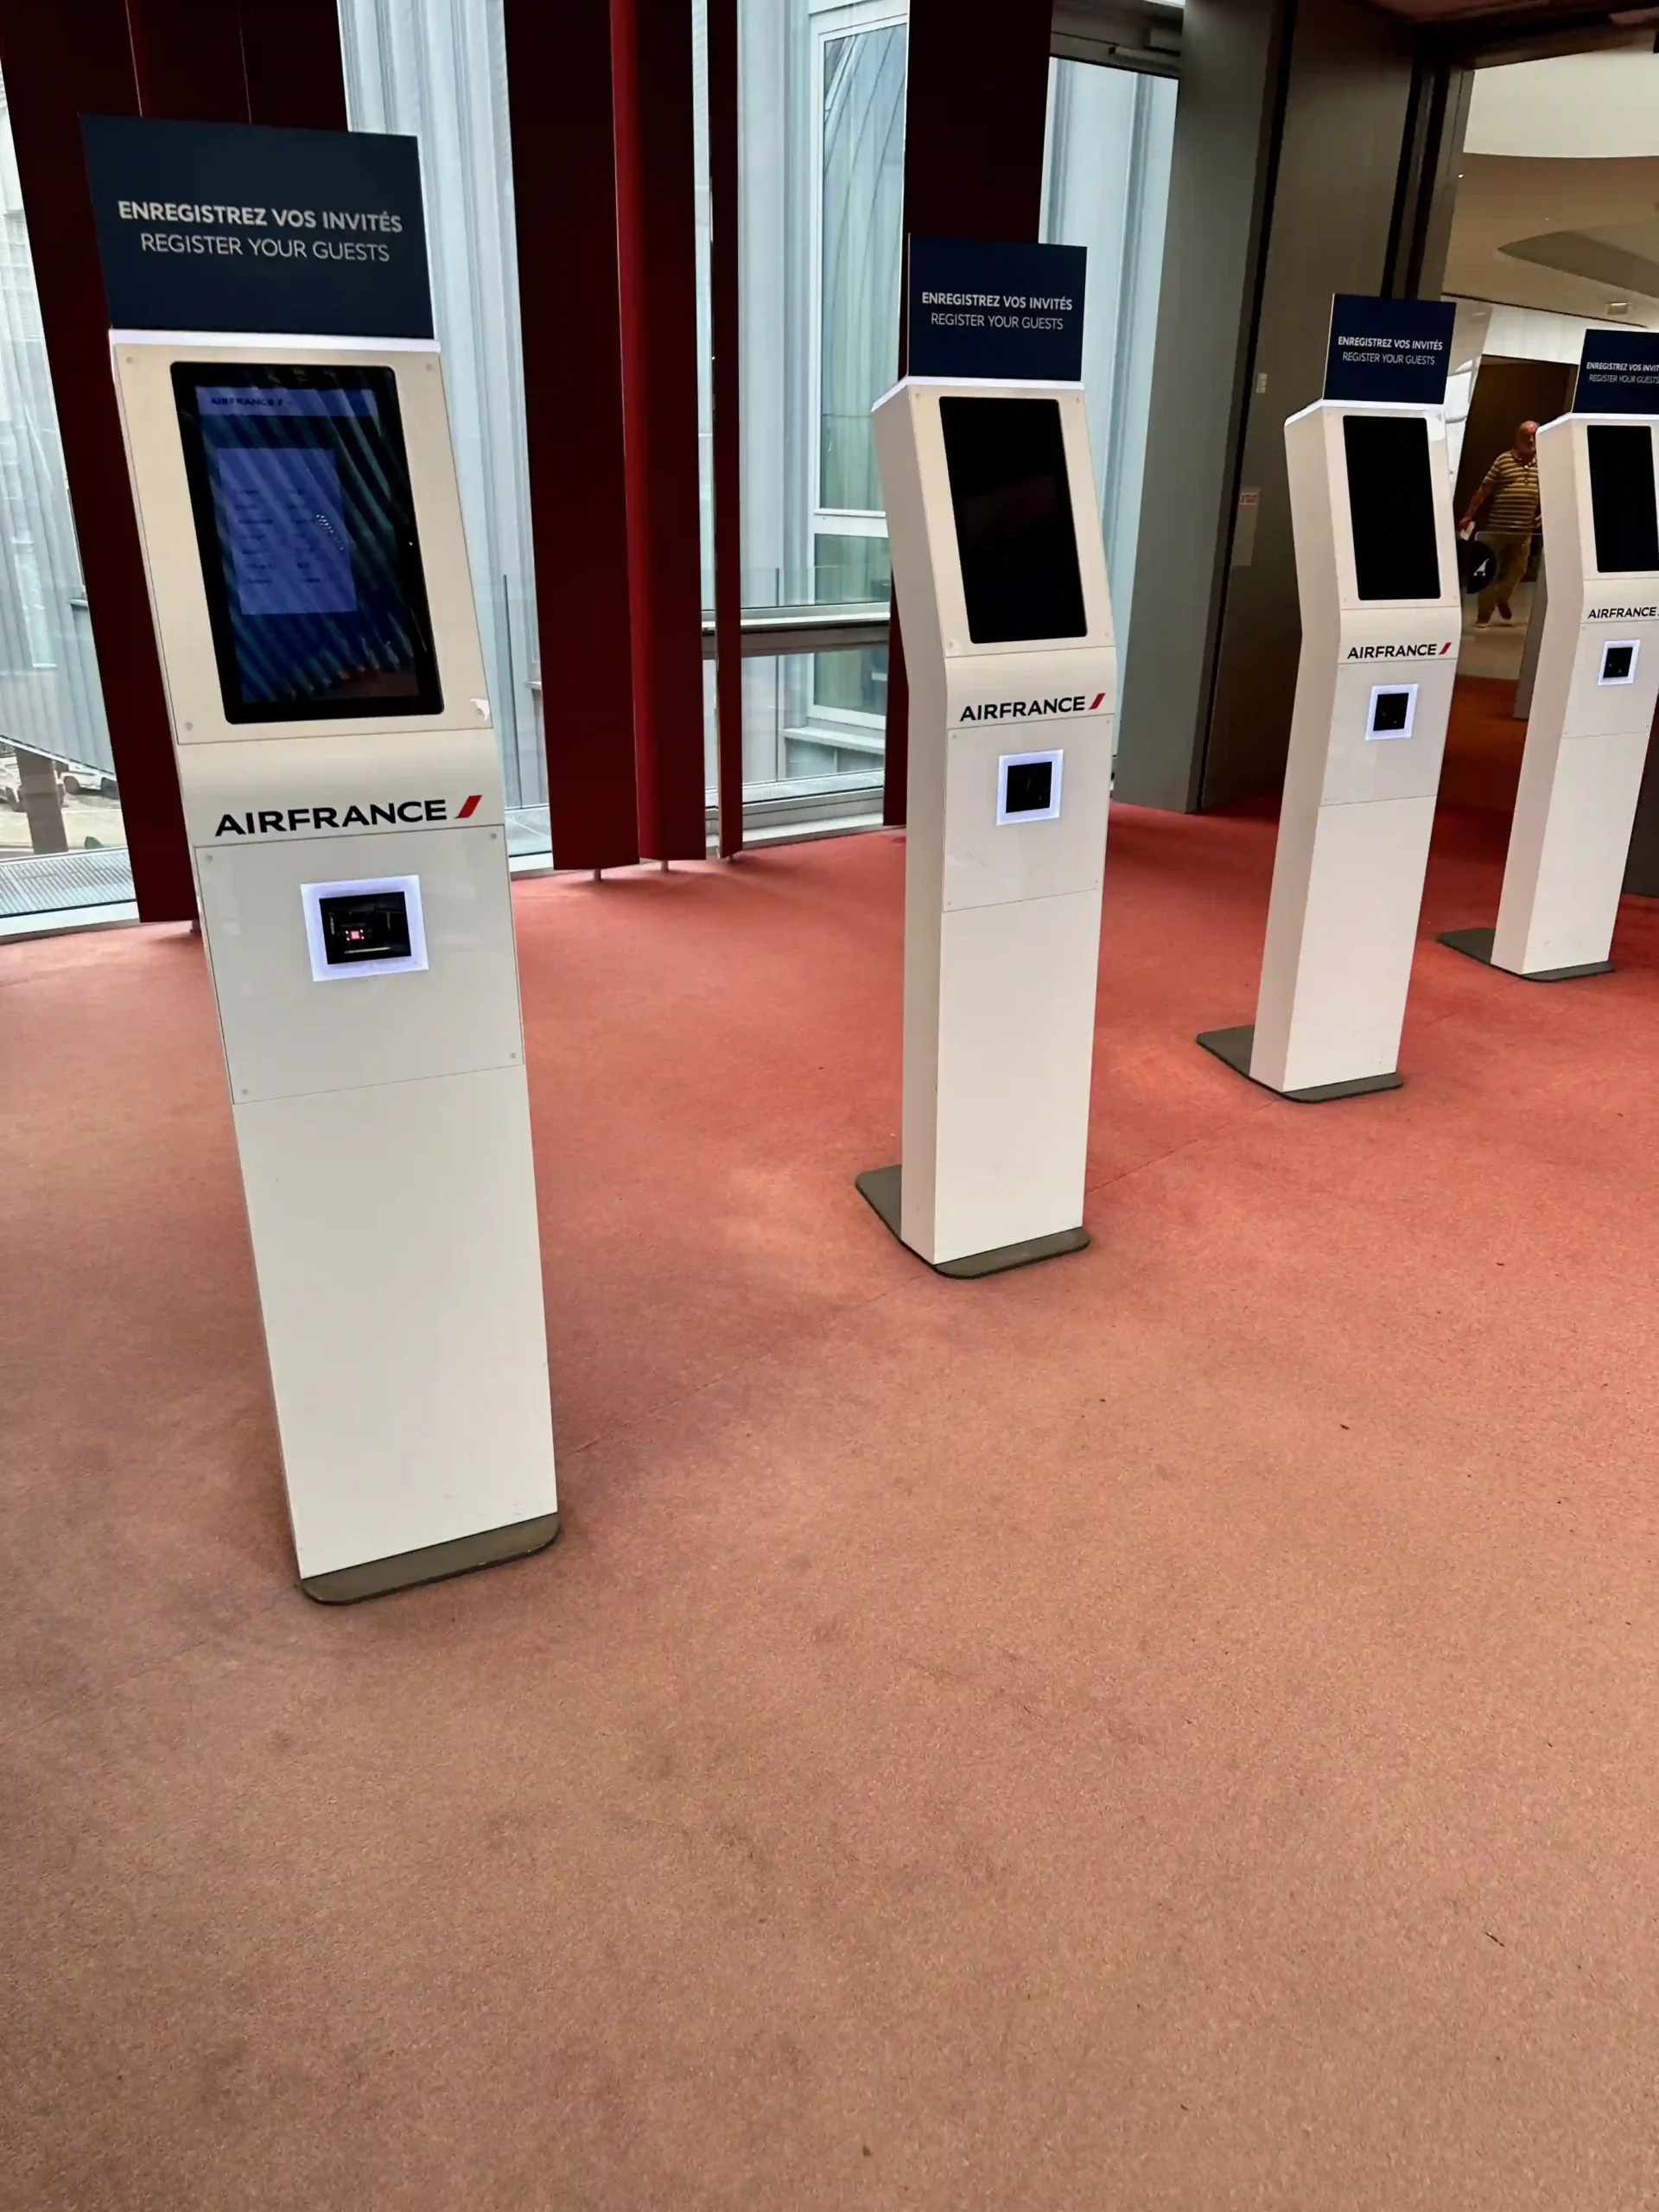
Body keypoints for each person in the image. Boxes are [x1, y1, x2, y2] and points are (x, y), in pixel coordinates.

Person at [1459, 420, 1540, 626]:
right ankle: (1483, 615)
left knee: (1519, 570)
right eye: (1526, 435)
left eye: (1534, 435)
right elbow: (1484, 489)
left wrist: (1544, 516)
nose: (1530, 439)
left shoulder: (1544, 462)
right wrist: (1469, 514)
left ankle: (1502, 597)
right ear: (1517, 437)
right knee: (1487, 572)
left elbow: (1553, 491)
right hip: (1496, 528)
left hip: (1524, 531)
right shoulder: (1503, 460)